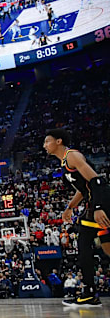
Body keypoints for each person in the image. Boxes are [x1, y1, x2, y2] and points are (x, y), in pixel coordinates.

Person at [44, 129, 109, 307]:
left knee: (86, 245)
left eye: (47, 141)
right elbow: (83, 189)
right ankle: (88, 292)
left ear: (59, 141)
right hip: (92, 202)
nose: (45, 145)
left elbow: (96, 181)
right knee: (92, 246)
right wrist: (69, 208)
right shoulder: (64, 162)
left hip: (102, 200)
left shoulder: (72, 156)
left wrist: (98, 207)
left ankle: (89, 292)